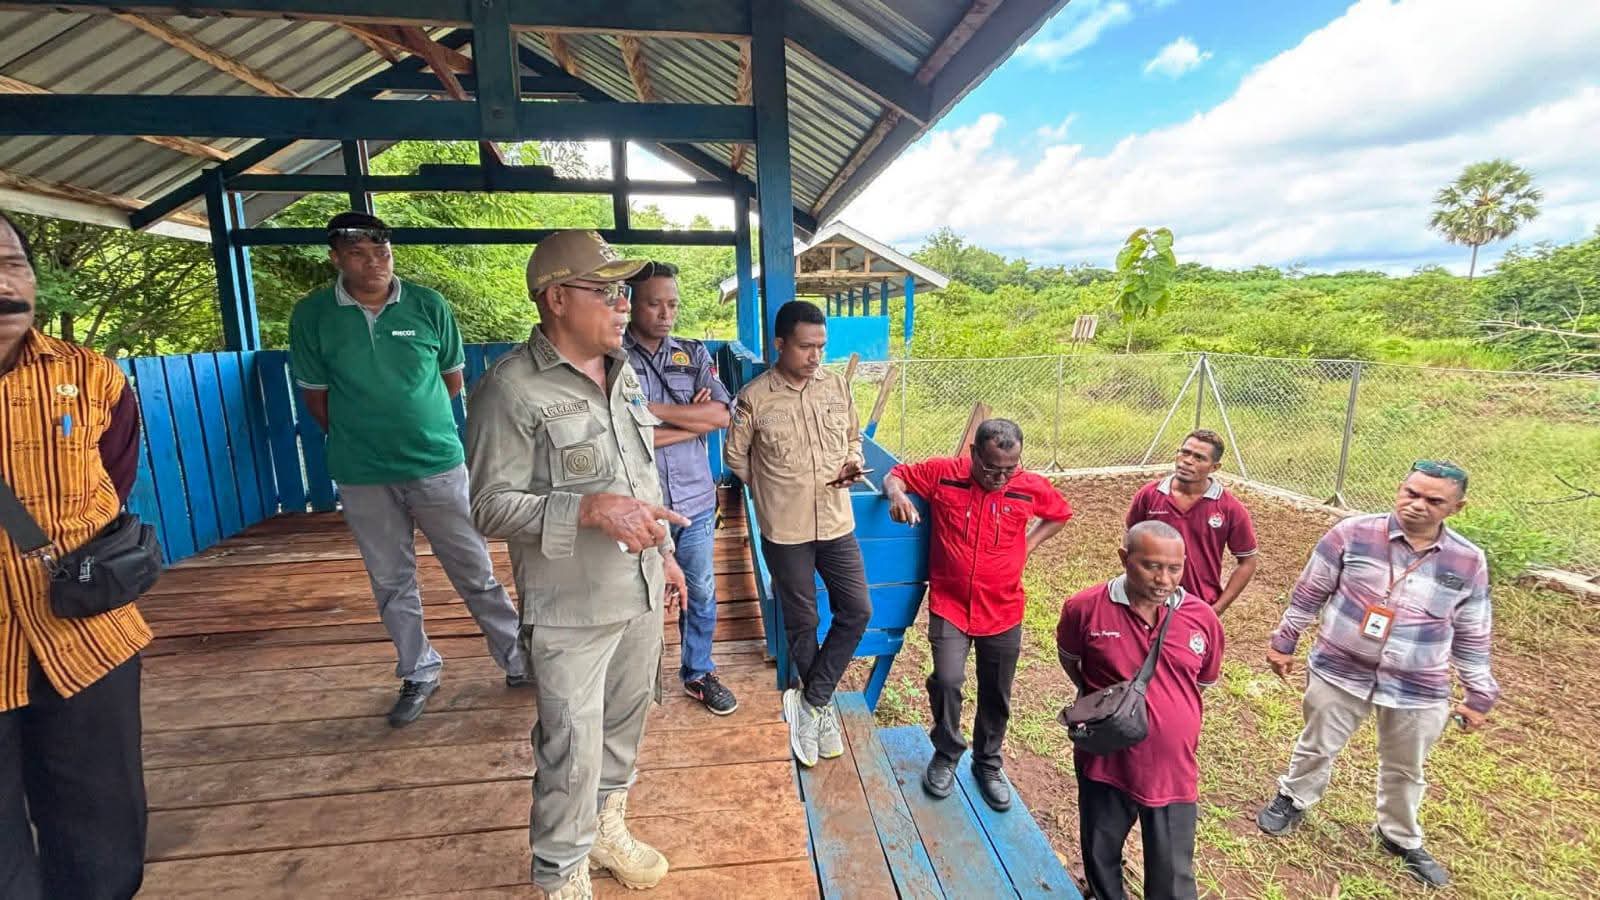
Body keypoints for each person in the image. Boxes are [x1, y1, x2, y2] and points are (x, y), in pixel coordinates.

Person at [467, 230, 689, 900]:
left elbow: (641, 479)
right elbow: (489, 507)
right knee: (570, 744)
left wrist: (666, 556)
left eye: (624, 291)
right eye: (606, 290)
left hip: (639, 589)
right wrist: (588, 509)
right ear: (557, 298)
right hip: (571, 606)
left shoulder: (624, 375)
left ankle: (604, 831)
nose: (624, 304)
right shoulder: (510, 389)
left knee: (624, 725)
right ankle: (561, 871)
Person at [288, 211, 528, 727]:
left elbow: (451, 380)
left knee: (475, 568)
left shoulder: (427, 304)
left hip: (436, 462)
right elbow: (316, 397)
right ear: (335, 258)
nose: (374, 263)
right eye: (358, 255)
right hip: (361, 471)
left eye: (382, 252)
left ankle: (517, 659)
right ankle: (418, 670)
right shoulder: (312, 315)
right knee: (391, 579)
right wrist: (364, 433)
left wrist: (413, 424)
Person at [1255, 460, 1498, 889]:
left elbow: (1472, 632)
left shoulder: (1467, 561)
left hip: (1418, 686)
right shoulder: (1352, 534)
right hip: (1339, 669)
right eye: (1411, 493)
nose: (1417, 505)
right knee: (1317, 744)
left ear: (1456, 508)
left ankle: (1398, 836)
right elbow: (1310, 592)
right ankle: (1293, 798)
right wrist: (1284, 640)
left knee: (1406, 767)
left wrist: (1479, 693)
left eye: (1433, 500)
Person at [0, 210, 149, 899]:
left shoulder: (91, 377)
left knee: (102, 839)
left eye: (12, 265)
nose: (3, 286)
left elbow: (113, 480)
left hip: (86, 636)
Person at [883, 418, 1073, 811]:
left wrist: (1027, 545)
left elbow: (1059, 513)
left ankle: (988, 763)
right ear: (973, 454)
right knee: (947, 680)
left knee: (996, 690)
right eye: (991, 468)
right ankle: (947, 752)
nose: (1000, 478)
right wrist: (896, 495)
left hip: (1003, 608)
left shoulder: (1027, 485)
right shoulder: (943, 474)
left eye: (1009, 469)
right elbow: (896, 475)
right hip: (950, 604)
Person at [724, 299, 870, 768]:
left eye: (821, 347)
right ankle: (819, 709)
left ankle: (811, 702)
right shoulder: (754, 398)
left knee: (858, 610)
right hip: (785, 528)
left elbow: (853, 437)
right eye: (806, 347)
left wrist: (852, 461)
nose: (815, 356)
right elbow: (736, 456)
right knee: (802, 620)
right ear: (779, 344)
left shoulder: (836, 386)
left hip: (836, 520)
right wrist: (772, 492)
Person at [1056, 521, 1224, 900]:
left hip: (1172, 769)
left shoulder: (1202, 619)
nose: (1164, 579)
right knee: (1101, 851)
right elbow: (1072, 660)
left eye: (1174, 568)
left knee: (1173, 875)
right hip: (1105, 761)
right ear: (1124, 558)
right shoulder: (1084, 608)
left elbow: (1201, 682)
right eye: (1151, 566)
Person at [623, 261, 737, 715]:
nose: (665, 313)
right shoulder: (612, 356)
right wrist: (690, 421)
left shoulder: (693, 352)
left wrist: (649, 411)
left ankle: (698, 672)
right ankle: (634, 679)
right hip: (639, 503)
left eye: (672, 304)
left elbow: (722, 416)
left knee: (700, 590)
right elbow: (620, 433)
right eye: (654, 304)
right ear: (631, 302)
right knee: (633, 594)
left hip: (694, 499)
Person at [1126, 429, 1259, 615]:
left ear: (1214, 467)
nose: (1188, 461)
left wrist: (1217, 608)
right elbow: (1130, 538)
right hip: (1147, 602)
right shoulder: (1149, 495)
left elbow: (1248, 561)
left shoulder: (1229, 508)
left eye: (1199, 457)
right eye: (1185, 452)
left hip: (1197, 606)